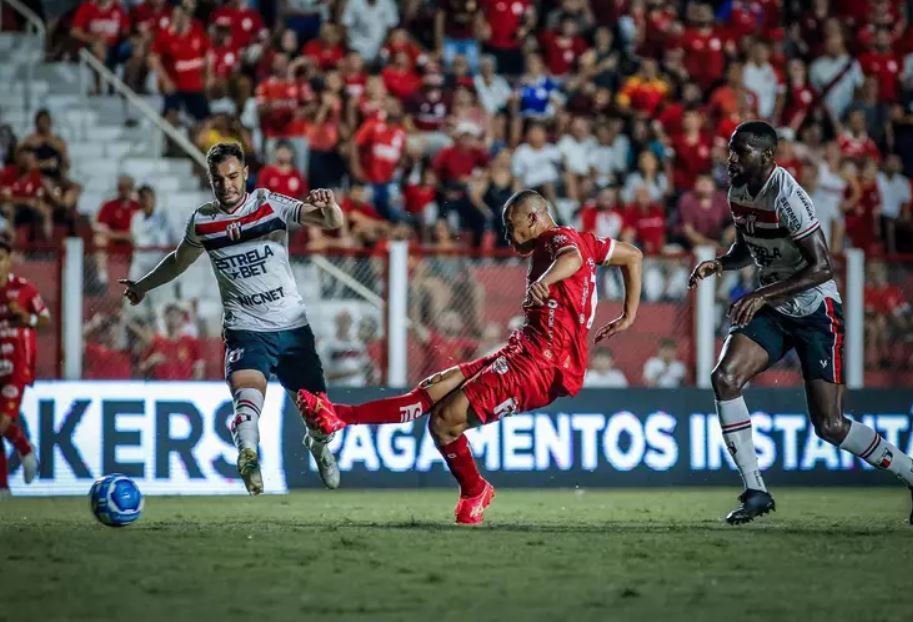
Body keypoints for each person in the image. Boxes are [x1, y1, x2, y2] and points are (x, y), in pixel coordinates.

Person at [298, 190, 643, 524]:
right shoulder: (586, 241)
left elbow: (571, 258)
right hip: (524, 350)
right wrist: (628, 314)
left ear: (534, 218)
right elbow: (632, 256)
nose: (507, 235)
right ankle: (337, 417)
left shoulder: (556, 239)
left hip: (543, 365)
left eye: (511, 225)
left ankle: (474, 489)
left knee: (444, 421)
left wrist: (545, 280)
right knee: (432, 391)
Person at [689, 121, 913, 526]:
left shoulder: (787, 195)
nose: (731, 159)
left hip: (815, 311)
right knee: (725, 377)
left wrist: (761, 295)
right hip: (776, 305)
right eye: (731, 150)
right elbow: (749, 245)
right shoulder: (738, 190)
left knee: (830, 425)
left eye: (740, 151)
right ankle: (756, 490)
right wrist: (721, 263)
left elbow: (822, 266)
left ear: (766, 156)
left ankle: (910, 473)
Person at [119, 142, 344, 495]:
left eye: (233, 176)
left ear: (246, 174)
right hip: (245, 327)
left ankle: (318, 445)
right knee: (247, 399)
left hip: (291, 327)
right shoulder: (203, 221)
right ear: (210, 180)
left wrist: (330, 206)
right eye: (218, 180)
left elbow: (330, 221)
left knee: (321, 421)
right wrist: (143, 287)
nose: (227, 186)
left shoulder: (269, 204)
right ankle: (248, 455)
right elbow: (178, 261)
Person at [0, 232, 50, 495]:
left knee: (1, 422)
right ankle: (23, 451)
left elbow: (45, 320)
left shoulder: (23, 289)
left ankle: (21, 455)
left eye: (0, 258)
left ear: (9, 260)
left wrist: (25, 317)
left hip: (17, 366)